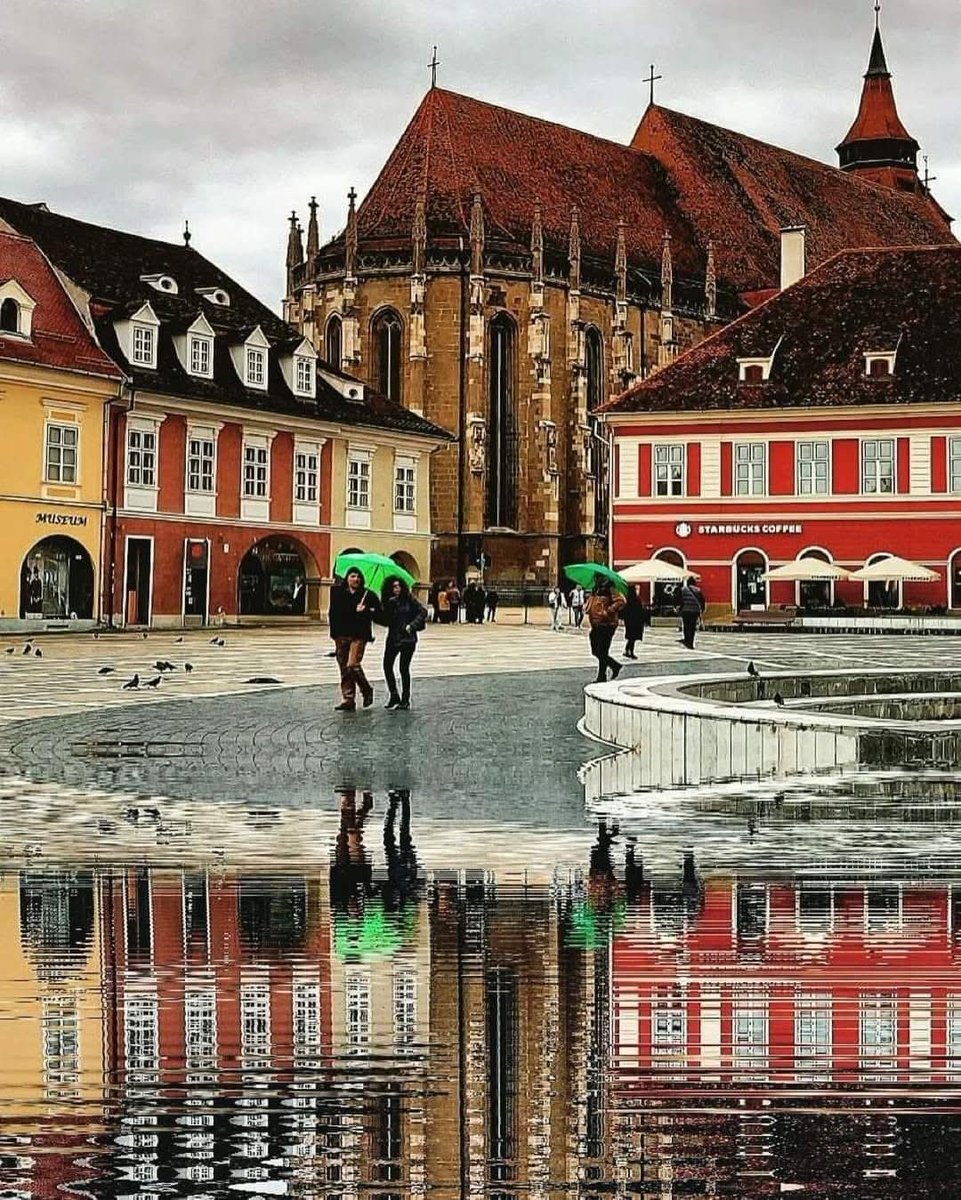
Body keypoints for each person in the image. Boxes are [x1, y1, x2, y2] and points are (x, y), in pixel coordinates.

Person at [328, 566, 381, 710]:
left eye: (358, 576)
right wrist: (335, 635)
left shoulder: (368, 595)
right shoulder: (338, 593)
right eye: (353, 576)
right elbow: (333, 613)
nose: (356, 579)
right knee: (344, 669)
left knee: (352, 665)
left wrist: (366, 611)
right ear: (347, 578)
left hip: (359, 635)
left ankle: (366, 689)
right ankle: (348, 699)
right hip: (341, 635)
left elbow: (378, 614)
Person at [378, 576, 428, 710]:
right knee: (387, 666)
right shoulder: (388, 602)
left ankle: (405, 700)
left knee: (403, 669)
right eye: (394, 586)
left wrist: (411, 626)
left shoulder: (409, 599)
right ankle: (394, 695)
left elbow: (423, 612)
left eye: (398, 586)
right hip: (393, 638)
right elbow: (384, 620)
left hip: (407, 638)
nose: (397, 589)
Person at [583, 578, 626, 682]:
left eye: (597, 576)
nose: (594, 578)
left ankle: (602, 676)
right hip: (596, 623)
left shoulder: (610, 587)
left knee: (602, 650)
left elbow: (621, 601)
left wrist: (608, 611)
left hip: (607, 623)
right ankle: (614, 666)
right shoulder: (596, 588)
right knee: (596, 650)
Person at [677, 575, 706, 650]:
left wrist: (679, 609)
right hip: (695, 611)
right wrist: (701, 610)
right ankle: (691, 642)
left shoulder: (683, 589)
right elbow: (702, 602)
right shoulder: (698, 590)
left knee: (686, 626)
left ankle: (687, 641)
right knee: (692, 627)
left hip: (686, 611)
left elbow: (679, 600)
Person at [622, 584, 651, 658]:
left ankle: (628, 650)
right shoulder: (635, 600)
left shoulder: (628, 600)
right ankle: (630, 652)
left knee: (631, 638)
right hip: (635, 622)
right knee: (632, 638)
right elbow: (639, 611)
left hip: (629, 622)